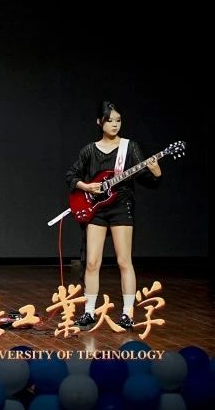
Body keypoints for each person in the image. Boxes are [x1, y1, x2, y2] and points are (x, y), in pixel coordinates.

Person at [65, 100, 161, 330]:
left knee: (124, 261)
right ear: (100, 122)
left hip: (121, 207)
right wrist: (87, 186)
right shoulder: (89, 150)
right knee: (92, 262)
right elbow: (71, 175)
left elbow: (148, 180)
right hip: (97, 209)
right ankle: (89, 312)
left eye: (118, 120)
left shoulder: (130, 147)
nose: (115, 125)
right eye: (110, 121)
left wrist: (156, 171)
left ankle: (127, 313)